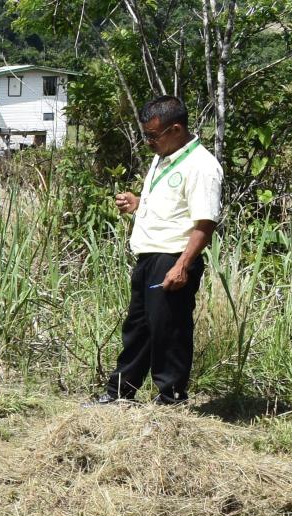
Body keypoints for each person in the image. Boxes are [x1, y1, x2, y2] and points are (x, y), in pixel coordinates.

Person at [97, 96, 223, 406]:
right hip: (148, 256)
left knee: (170, 331)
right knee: (138, 329)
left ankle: (171, 399)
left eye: (153, 135)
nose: (148, 142)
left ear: (176, 129)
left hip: (173, 258)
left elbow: (204, 225)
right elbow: (172, 206)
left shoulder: (202, 166)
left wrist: (182, 266)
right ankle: (119, 394)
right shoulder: (163, 156)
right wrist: (138, 203)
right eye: (146, 135)